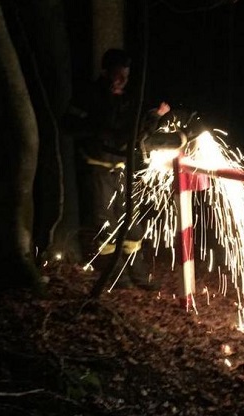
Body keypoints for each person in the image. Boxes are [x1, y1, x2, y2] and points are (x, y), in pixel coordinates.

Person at [67, 48, 170, 290]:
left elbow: (136, 133)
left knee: (131, 224)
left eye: (125, 74)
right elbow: (69, 124)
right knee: (107, 226)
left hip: (122, 168)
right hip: (98, 169)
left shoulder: (129, 99)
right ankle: (116, 275)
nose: (122, 79)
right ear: (106, 71)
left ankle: (139, 276)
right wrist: (96, 128)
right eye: (117, 74)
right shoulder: (90, 95)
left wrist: (155, 117)